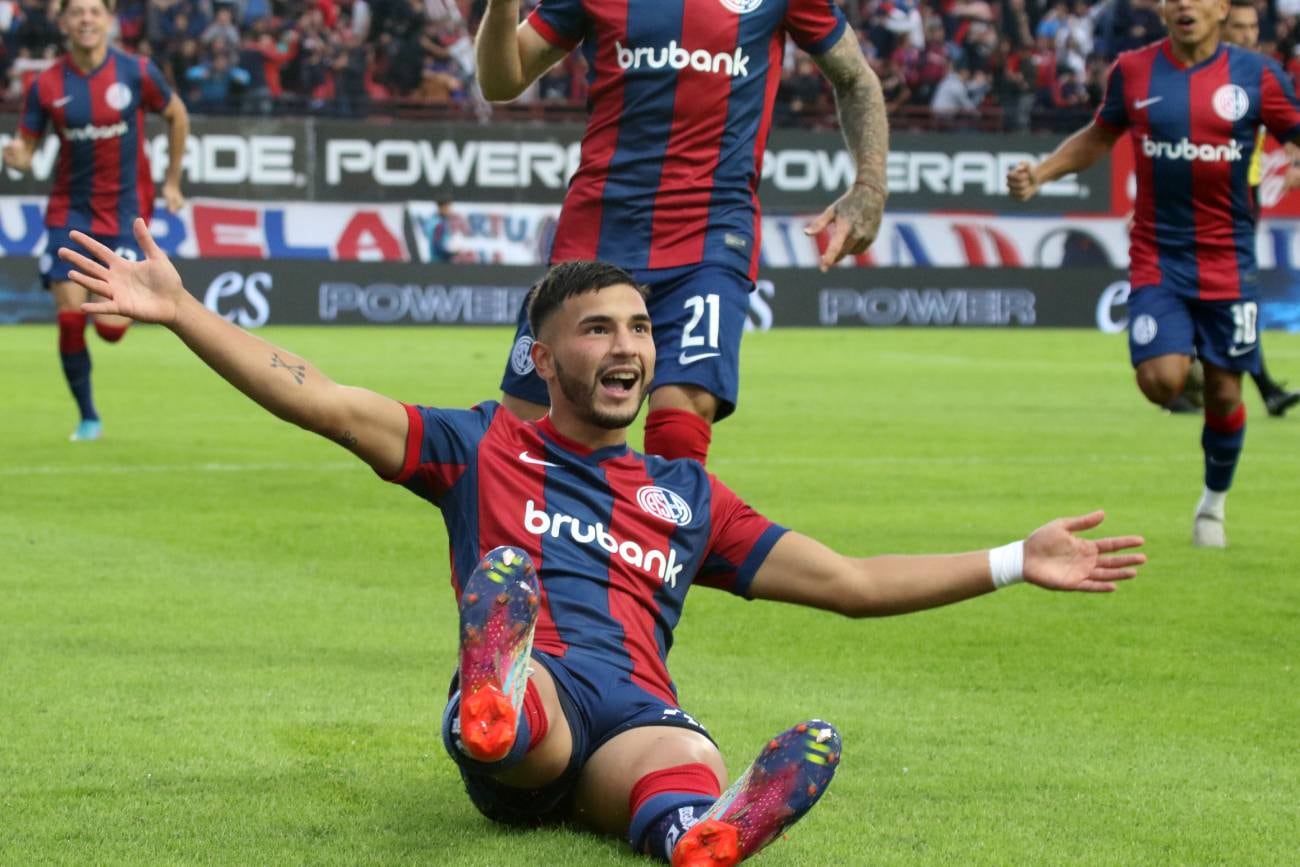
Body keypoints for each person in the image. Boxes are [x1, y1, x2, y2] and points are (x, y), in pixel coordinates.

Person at [59, 223, 1147, 866]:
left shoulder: (686, 495)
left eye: (638, 329)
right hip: (549, 693)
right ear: (543, 357)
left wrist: (1014, 559)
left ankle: (696, 837)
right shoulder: (474, 445)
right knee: (527, 727)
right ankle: (494, 695)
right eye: (599, 329)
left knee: (684, 760)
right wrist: (188, 313)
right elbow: (322, 399)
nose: (628, 346)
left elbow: (853, 582)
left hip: (635, 709)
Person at [475, 0, 889, 465]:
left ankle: (659, 536)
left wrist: (869, 185)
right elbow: (500, 81)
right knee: (531, 438)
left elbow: (855, 77)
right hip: (595, 235)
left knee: (679, 430)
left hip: (710, 238)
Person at [1006, 0, 1300, 548]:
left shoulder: (1258, 77)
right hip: (1158, 256)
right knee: (1158, 380)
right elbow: (1099, 133)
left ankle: (1212, 505)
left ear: (1221, 9)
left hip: (1230, 261)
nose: (1184, 4)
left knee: (1226, 396)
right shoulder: (1134, 70)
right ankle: (1186, 363)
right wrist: (1041, 173)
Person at [2, 0, 189, 442]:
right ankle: (88, 417)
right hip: (69, 211)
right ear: (64, 22)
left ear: (109, 20)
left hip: (126, 212)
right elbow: (28, 149)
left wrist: (173, 182)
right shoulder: (45, 83)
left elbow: (176, 114)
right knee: (70, 314)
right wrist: (17, 156)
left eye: (94, 11)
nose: (86, 19)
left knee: (110, 329)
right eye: (77, 12)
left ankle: (105, 340)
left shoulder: (138, 71)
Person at [1221, 0, 1300, 417]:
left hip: (1241, 199)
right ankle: (1264, 386)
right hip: (1200, 198)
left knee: (1236, 295)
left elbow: (1291, 126)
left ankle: (1259, 385)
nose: (1248, 35)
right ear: (1221, 28)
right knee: (1233, 296)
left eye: (1253, 27)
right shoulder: (1201, 75)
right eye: (1238, 26)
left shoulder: (1265, 76)